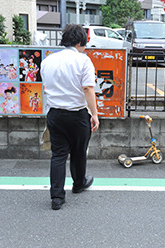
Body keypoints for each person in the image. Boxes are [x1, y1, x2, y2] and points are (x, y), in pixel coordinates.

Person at [41, 24, 100, 210]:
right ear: (81, 42)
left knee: (58, 155)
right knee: (78, 151)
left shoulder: (48, 60)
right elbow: (88, 88)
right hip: (77, 114)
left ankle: (57, 197)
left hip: (55, 113)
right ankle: (79, 183)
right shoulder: (83, 60)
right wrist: (95, 114)